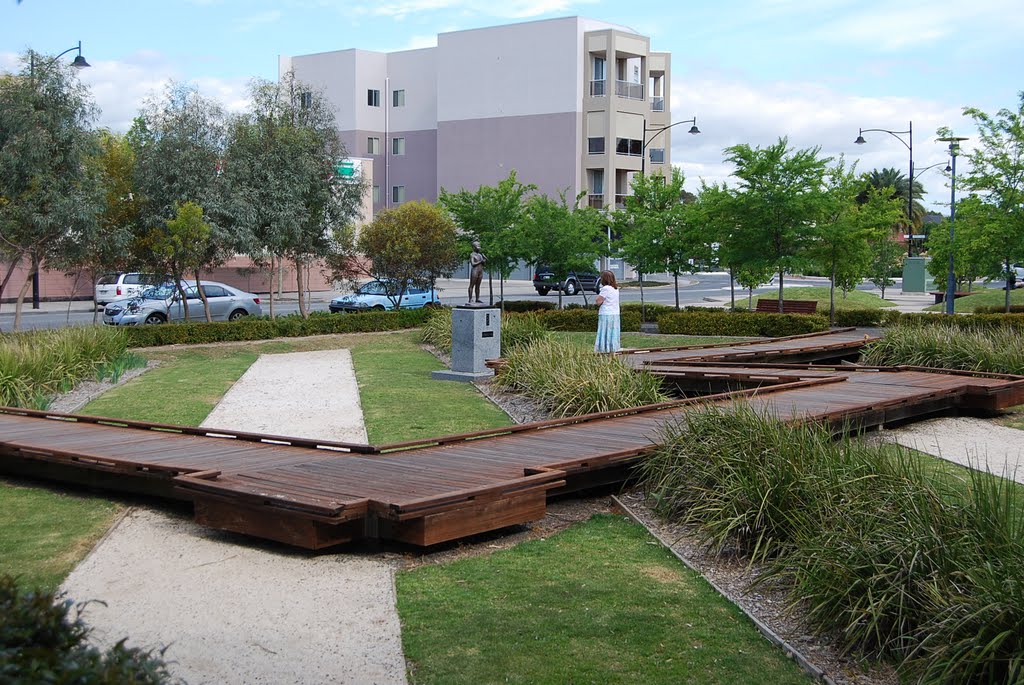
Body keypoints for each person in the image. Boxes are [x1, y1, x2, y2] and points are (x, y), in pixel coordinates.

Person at [594, 270, 620, 353]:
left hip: (606, 313)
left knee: (605, 331)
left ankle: (604, 348)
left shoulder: (605, 289)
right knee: (612, 332)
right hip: (615, 313)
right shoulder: (615, 289)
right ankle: (613, 347)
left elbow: (599, 301)